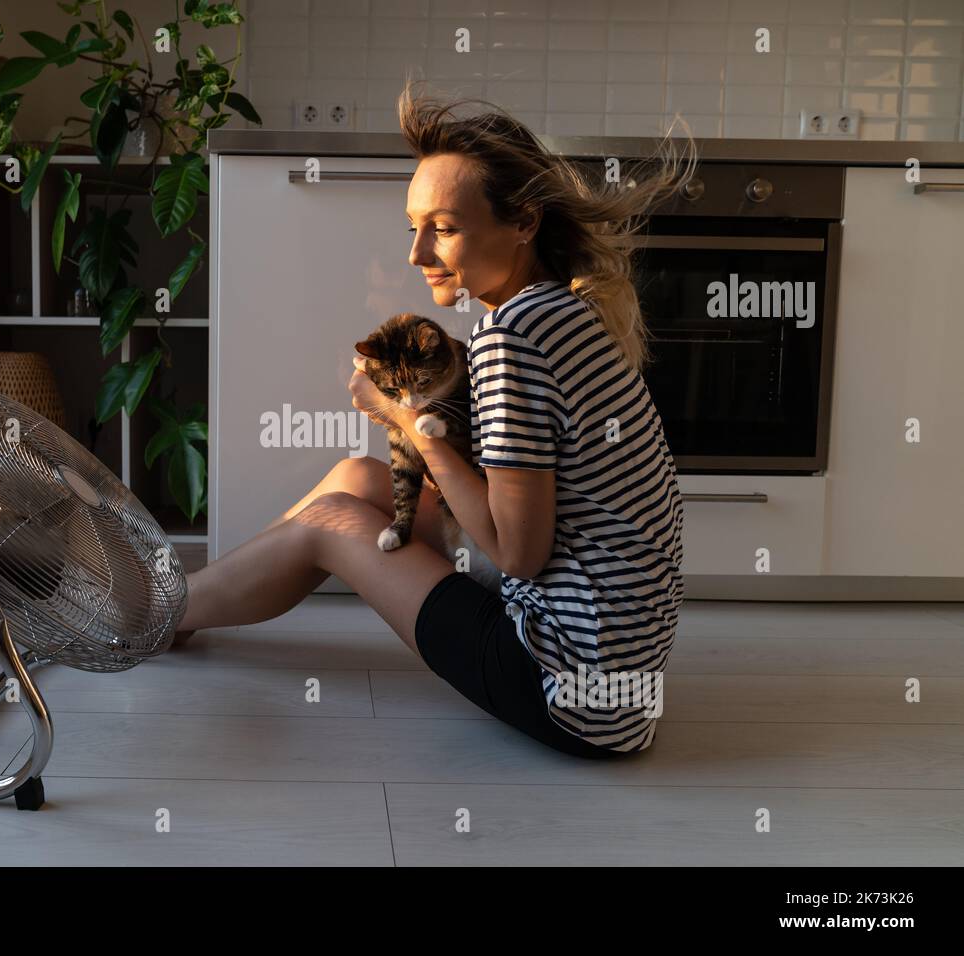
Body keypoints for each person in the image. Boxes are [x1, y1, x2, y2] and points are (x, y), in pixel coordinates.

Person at [174, 81, 696, 757]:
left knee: (331, 522)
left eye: (443, 230)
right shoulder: (566, 311)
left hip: (562, 687)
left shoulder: (513, 338)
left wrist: (406, 414)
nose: (417, 254)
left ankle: (152, 618)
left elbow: (519, 554)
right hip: (621, 692)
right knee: (359, 478)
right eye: (413, 228)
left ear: (525, 221)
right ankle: (180, 607)